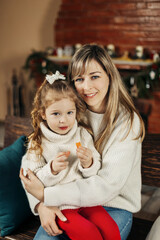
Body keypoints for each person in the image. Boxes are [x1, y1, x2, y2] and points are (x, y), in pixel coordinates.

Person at [20, 44, 145, 240]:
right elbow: (31, 164)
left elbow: (106, 185)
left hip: (113, 205)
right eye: (79, 79)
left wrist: (46, 196)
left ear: (109, 76)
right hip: (64, 202)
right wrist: (41, 205)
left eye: (94, 76)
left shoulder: (126, 121)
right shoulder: (70, 111)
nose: (86, 87)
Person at [20, 71, 121, 240]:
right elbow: (33, 183)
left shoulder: (82, 135)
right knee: (88, 234)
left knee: (110, 229)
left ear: (75, 111)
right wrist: (51, 170)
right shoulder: (37, 143)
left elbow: (95, 171)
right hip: (60, 206)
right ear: (43, 113)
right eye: (56, 114)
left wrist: (88, 163)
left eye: (69, 113)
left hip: (85, 199)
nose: (63, 120)